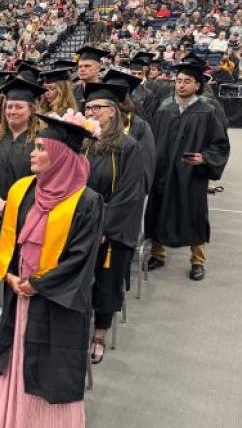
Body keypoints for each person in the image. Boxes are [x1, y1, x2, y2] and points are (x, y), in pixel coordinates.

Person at [0, 111, 104, 428]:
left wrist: (40, 284)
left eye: (41, 148)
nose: (33, 153)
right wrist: (9, 274)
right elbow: (9, 241)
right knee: (16, 357)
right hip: (19, 294)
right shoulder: (22, 189)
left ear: (61, 156)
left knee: (50, 369)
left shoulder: (86, 201)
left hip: (56, 300)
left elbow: (81, 258)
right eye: (34, 146)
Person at [145, 61, 231, 281]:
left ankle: (197, 261)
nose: (181, 85)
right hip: (163, 172)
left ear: (197, 85)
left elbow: (220, 145)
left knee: (193, 214)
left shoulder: (207, 111)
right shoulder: (164, 108)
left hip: (191, 175)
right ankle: (158, 254)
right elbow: (152, 141)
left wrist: (205, 158)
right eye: (178, 81)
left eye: (187, 81)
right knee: (159, 209)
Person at [81, 82, 145, 364]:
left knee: (106, 281)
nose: (92, 112)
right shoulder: (82, 142)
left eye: (98, 108)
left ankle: (99, 334)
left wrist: (104, 228)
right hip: (79, 227)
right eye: (88, 108)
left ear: (113, 112)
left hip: (111, 231)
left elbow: (130, 195)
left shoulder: (128, 148)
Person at [0, 77, 44, 211]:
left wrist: (11, 205)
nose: (12, 111)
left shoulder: (40, 141)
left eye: (19, 107)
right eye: (9, 107)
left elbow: (42, 180)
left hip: (25, 210)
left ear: (31, 111)